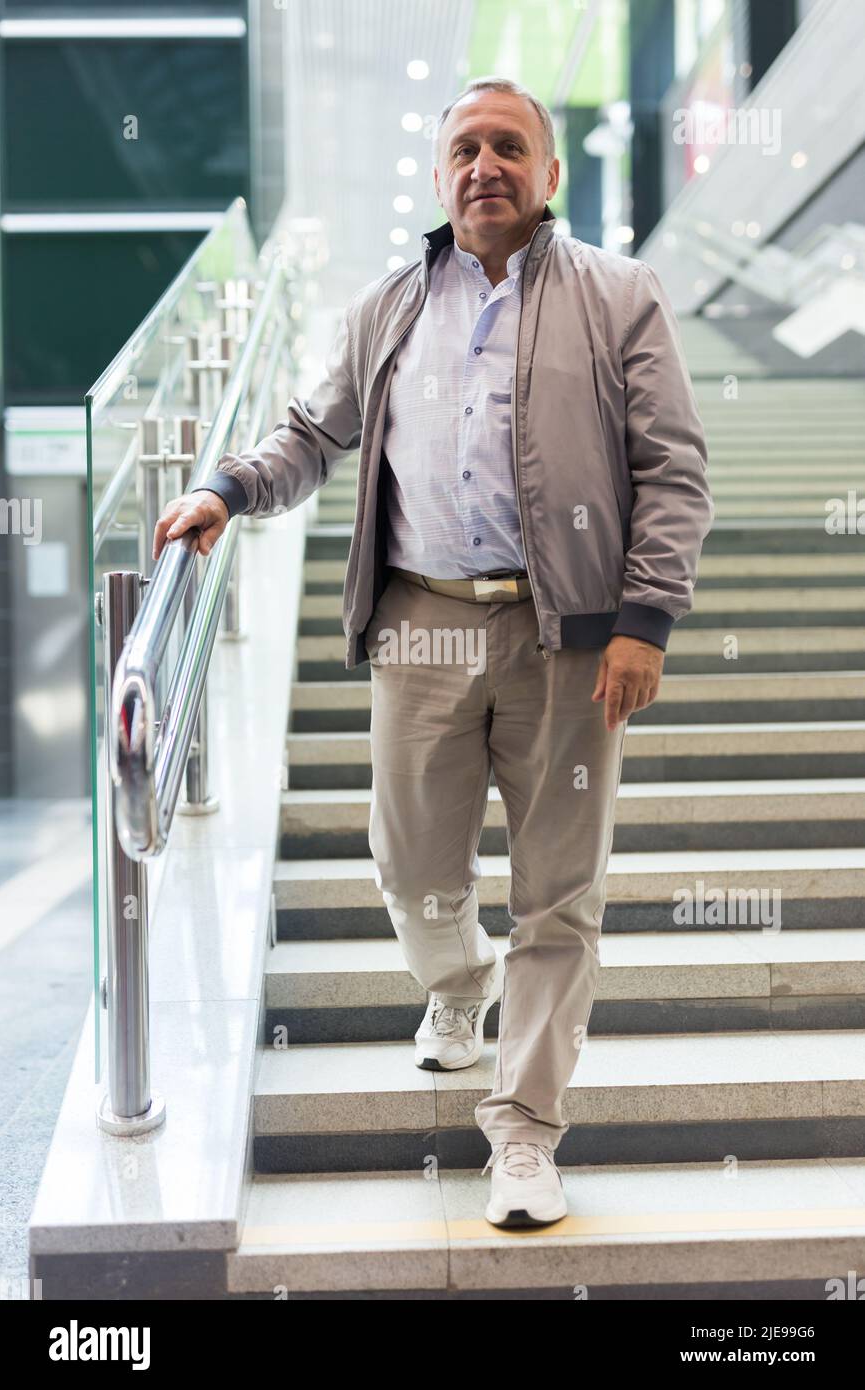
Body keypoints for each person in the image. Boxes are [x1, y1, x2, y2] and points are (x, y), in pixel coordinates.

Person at [153, 76, 714, 1229]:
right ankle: (458, 986)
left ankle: (522, 1131)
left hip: (568, 636)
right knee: (411, 867)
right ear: (441, 171)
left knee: (558, 896)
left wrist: (642, 619)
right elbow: (312, 432)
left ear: (548, 173)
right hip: (422, 621)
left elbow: (670, 467)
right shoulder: (390, 305)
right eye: (464, 148)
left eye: (509, 146)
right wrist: (225, 489)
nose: (484, 166)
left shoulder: (617, 295)